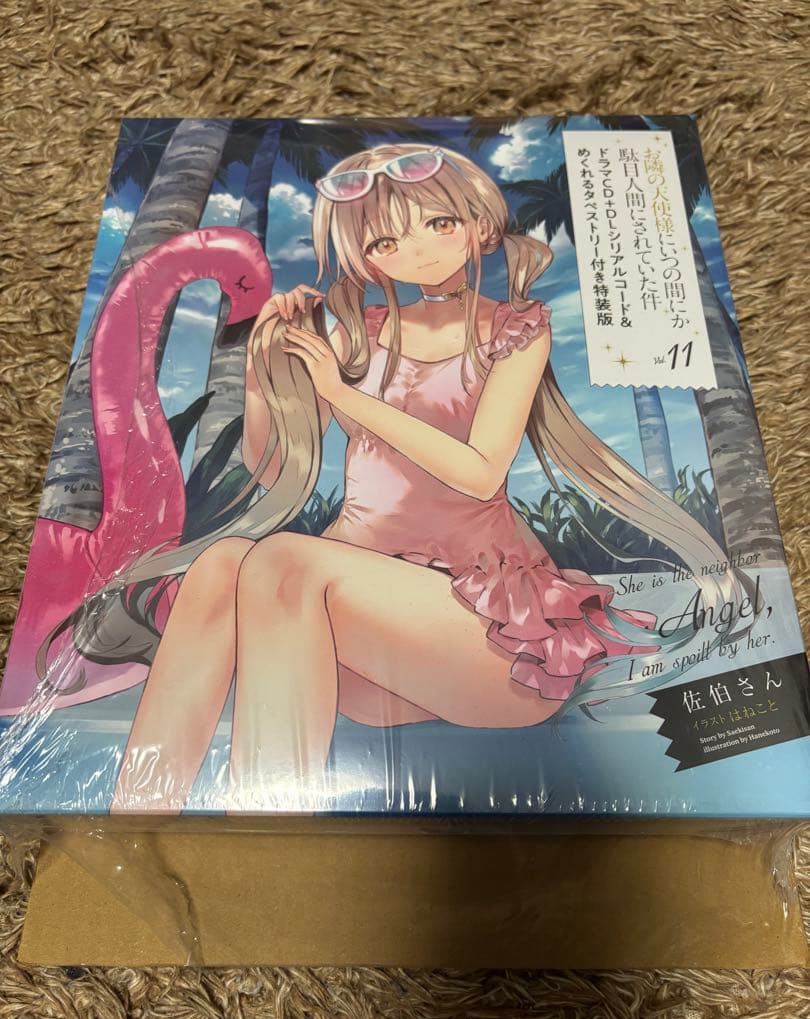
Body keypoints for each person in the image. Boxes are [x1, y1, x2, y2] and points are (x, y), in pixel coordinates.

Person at [110, 144, 745, 813]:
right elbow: (272, 465)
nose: (416, 251)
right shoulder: (359, 334)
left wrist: (344, 395)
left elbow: (480, 472)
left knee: (283, 563)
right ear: (368, 258)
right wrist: (266, 363)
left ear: (479, 224)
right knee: (220, 566)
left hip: (483, 636)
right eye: (386, 241)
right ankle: (137, 812)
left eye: (439, 224)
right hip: (358, 641)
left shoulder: (514, 330)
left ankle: (264, 835)